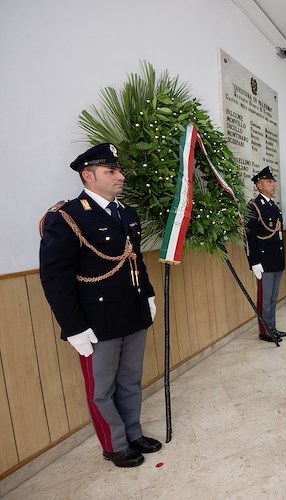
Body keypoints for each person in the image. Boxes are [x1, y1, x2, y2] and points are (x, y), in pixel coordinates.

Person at [39, 143, 161, 468]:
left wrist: (147, 294)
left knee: (131, 380)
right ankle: (115, 445)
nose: (120, 176)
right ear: (88, 175)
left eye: (118, 170)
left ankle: (133, 434)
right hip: (96, 322)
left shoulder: (126, 213)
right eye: (112, 171)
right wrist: (74, 328)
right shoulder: (66, 218)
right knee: (102, 390)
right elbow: (55, 280)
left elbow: (135, 261)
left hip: (132, 311)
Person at [245, 166, 286, 342]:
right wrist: (253, 261)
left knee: (273, 298)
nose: (273, 184)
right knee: (265, 299)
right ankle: (265, 331)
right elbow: (249, 237)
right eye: (269, 181)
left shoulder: (272, 206)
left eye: (273, 181)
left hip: (276, 259)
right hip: (263, 261)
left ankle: (273, 327)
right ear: (259, 185)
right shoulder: (254, 207)